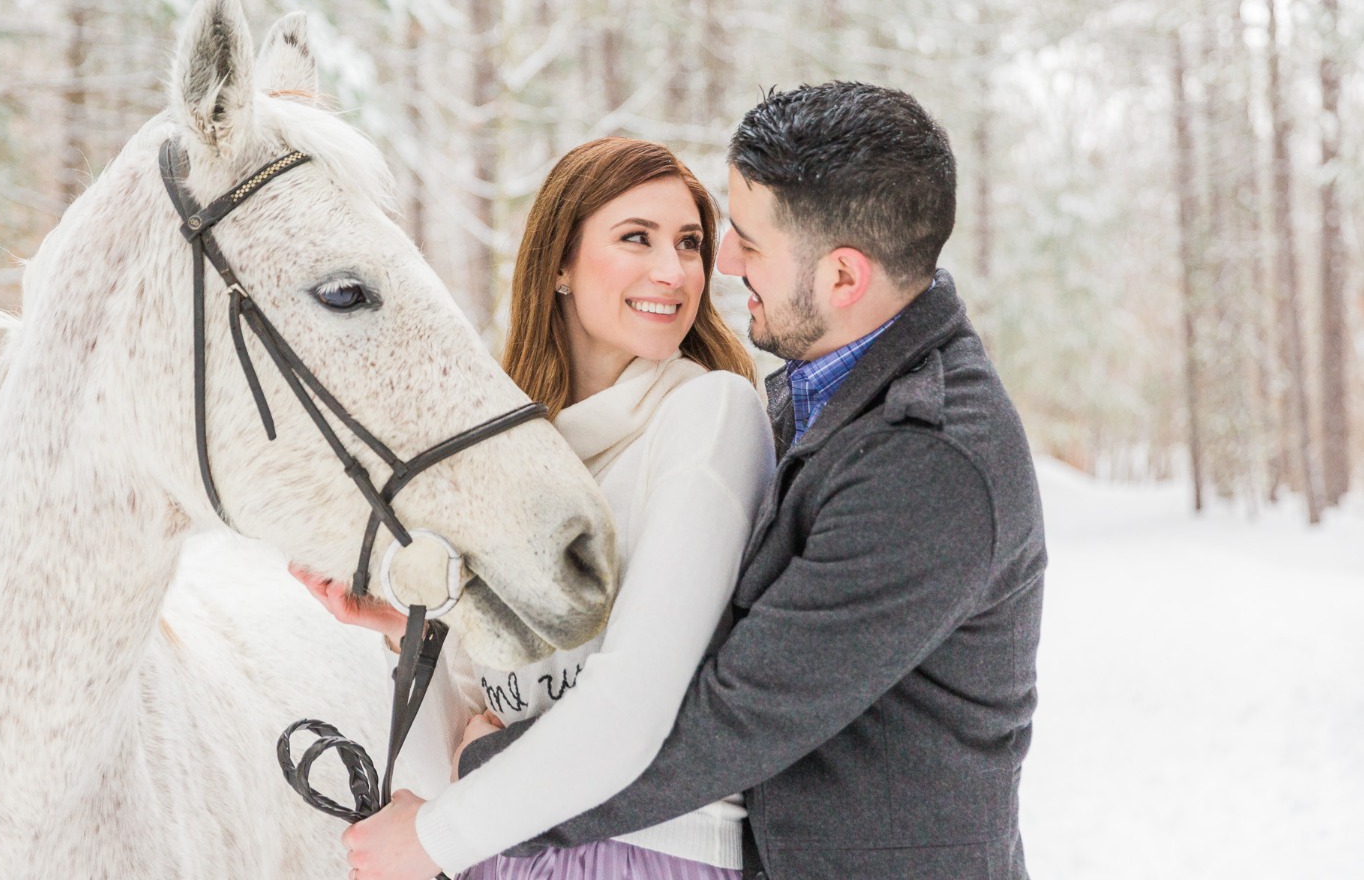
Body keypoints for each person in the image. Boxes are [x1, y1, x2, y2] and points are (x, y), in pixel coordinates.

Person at [341, 82, 1048, 880]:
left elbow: (731, 718)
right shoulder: (807, 399)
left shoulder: (929, 460)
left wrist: (476, 786)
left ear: (844, 278)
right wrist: (430, 628)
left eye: (743, 241)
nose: (720, 264)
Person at [293, 137, 776, 879]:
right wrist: (413, 639)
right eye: (636, 239)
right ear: (559, 263)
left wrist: (433, 837)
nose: (674, 271)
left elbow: (630, 708)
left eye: (689, 243)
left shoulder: (708, 414)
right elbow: (451, 752)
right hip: (501, 852)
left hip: (645, 854)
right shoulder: (514, 459)